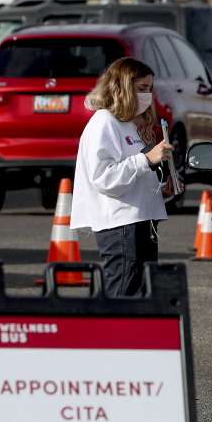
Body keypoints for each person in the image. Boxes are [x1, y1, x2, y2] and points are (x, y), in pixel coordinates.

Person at [69, 57, 172, 297]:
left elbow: (134, 172)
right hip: (119, 223)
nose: (147, 96)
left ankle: (131, 335)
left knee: (141, 294)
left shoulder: (129, 123)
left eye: (150, 89)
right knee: (122, 292)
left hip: (141, 220)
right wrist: (147, 159)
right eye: (141, 89)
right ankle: (109, 335)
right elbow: (104, 178)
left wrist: (162, 185)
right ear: (123, 87)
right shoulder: (104, 123)